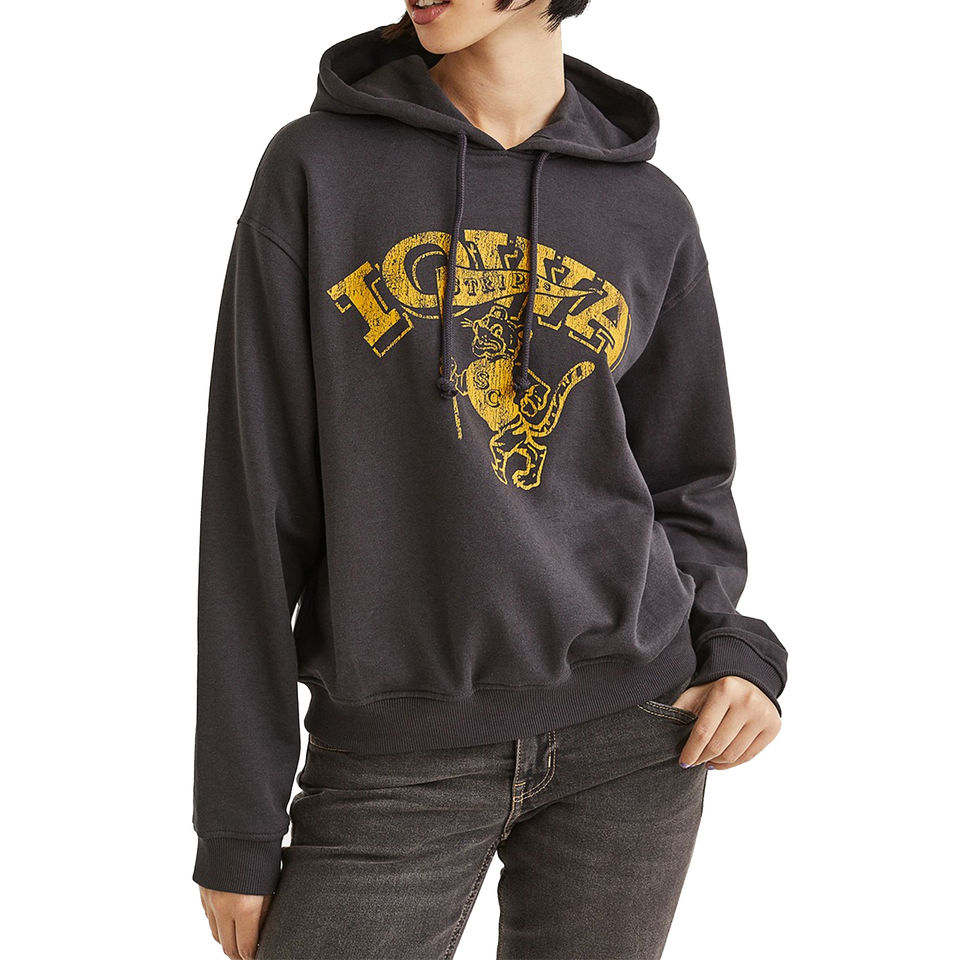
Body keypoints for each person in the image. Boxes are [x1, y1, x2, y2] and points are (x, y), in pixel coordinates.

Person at [192, 1, 788, 957]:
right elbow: (253, 511)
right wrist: (238, 824)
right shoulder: (317, 170)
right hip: (395, 755)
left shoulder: (649, 209)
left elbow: (689, 481)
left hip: (634, 736)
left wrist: (735, 648)